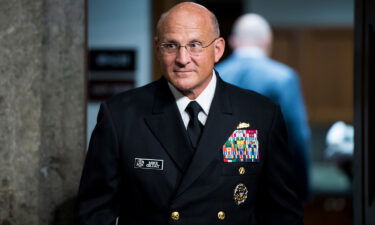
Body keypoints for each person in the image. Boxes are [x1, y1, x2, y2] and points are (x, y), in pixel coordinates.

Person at [76, 3, 303, 225]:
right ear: (157, 49)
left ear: (218, 49)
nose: (183, 59)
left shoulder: (261, 114)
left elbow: (282, 213)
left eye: (195, 45)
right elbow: (94, 212)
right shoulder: (120, 115)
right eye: (171, 45)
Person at [216, 13, 311, 201]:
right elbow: (297, 135)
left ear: (232, 42)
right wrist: (302, 187)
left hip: (219, 186)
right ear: (268, 40)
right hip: (270, 184)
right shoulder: (283, 78)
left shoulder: (214, 75)